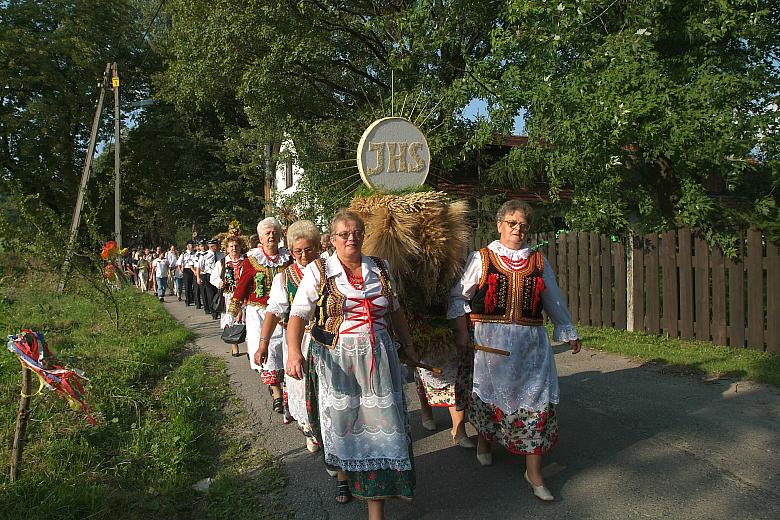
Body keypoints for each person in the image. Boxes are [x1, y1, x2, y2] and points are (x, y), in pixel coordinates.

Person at [286, 209, 417, 518]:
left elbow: (395, 310)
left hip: (380, 357)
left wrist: (408, 346)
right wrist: (293, 352)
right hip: (338, 360)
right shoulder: (319, 271)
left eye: (357, 232)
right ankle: (344, 476)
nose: (351, 238)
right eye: (344, 234)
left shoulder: (381, 268)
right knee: (346, 426)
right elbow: (297, 314)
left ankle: (376, 509)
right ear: (332, 239)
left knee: (384, 427)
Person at [449, 200, 581, 502]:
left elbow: (554, 299)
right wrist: (460, 331)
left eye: (523, 224)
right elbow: (459, 297)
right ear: (500, 225)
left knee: (535, 404)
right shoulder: (482, 258)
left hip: (531, 347)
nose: (517, 229)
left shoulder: (537, 261)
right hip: (491, 346)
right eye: (512, 223)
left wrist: (567, 329)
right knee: (490, 398)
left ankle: (534, 472)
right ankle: (485, 441)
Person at [255, 220, 321, 450]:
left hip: (327, 340)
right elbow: (273, 312)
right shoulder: (284, 278)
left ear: (319, 248)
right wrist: (263, 344)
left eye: (309, 250)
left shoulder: (330, 271)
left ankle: (334, 436)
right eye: (297, 251)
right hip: (298, 341)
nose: (303, 256)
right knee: (302, 387)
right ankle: (311, 431)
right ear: (291, 252)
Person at [228, 218, 291, 413]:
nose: (271, 236)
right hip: (260, 314)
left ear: (280, 236)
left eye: (274, 232)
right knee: (268, 352)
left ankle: (289, 390)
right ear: (261, 238)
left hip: (283, 313)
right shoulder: (252, 260)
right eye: (267, 233)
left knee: (286, 350)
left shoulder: (288, 259)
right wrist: (234, 310)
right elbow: (243, 286)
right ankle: (276, 393)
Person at [211, 236, 245, 356]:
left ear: (241, 247)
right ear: (227, 248)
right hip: (229, 295)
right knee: (231, 320)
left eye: (236, 246)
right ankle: (234, 344)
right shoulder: (222, 263)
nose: (234, 248)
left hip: (245, 295)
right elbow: (213, 277)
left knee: (247, 320)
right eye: (231, 246)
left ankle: (249, 344)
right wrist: (219, 283)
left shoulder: (247, 261)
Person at [179, 241, 197, 305]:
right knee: (187, 286)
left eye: (192, 245)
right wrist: (181, 270)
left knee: (194, 286)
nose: (191, 247)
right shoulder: (184, 253)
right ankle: (188, 300)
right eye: (190, 245)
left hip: (194, 270)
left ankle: (193, 299)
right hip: (186, 270)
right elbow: (179, 263)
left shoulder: (195, 253)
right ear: (187, 246)